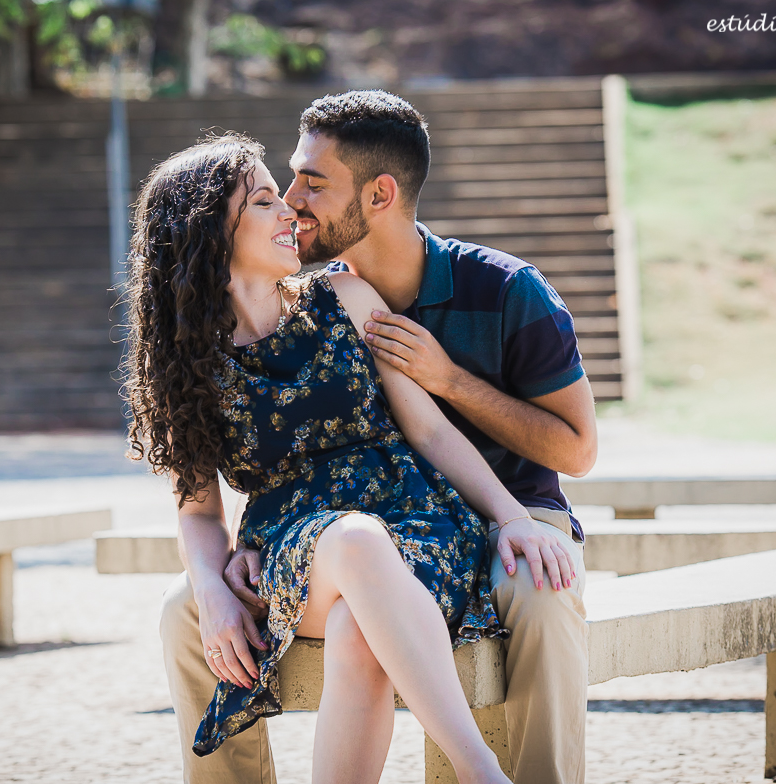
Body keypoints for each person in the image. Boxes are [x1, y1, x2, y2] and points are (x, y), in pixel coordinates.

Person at [159, 92, 596, 784]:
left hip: (426, 518)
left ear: (379, 194)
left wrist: (502, 494)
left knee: (435, 604)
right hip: (302, 541)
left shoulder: (482, 291)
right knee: (185, 608)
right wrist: (213, 583)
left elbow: (442, 432)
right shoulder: (190, 363)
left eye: (309, 184)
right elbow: (196, 507)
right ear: (213, 235)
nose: (293, 205)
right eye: (274, 194)